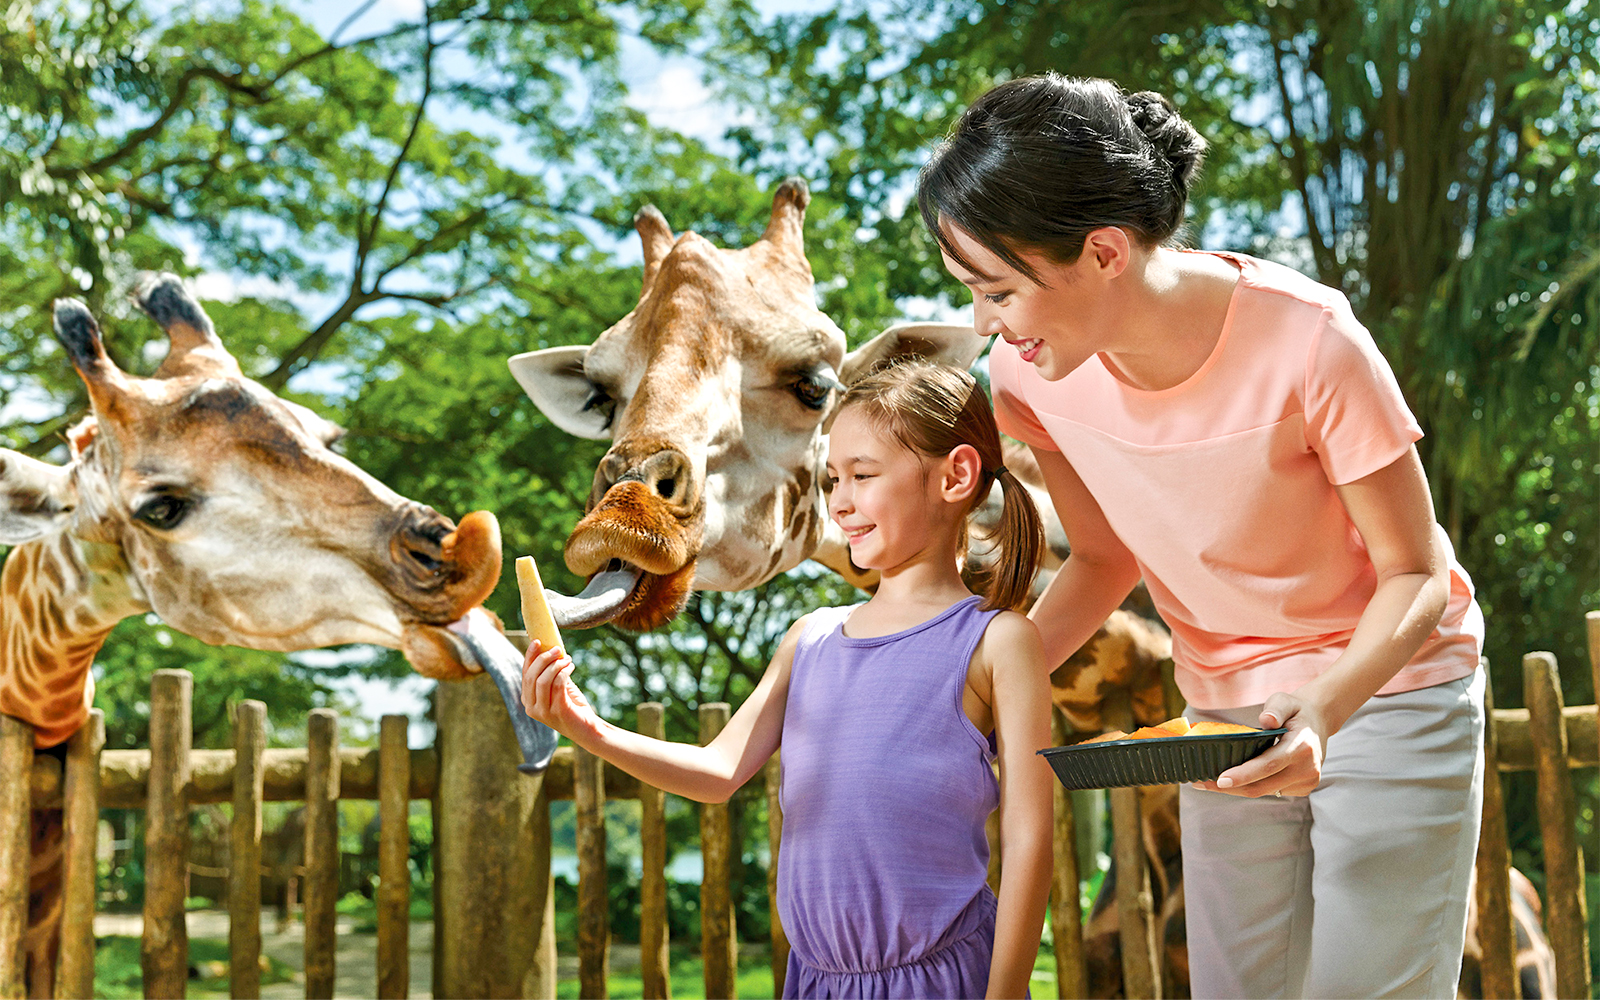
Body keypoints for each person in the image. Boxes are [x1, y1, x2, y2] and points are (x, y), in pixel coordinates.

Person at [916, 73, 1486, 999]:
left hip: (1390, 688)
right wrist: (973, 688)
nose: (984, 324)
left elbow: (1416, 574)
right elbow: (1105, 560)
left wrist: (1327, 709)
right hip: (1220, 710)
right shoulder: (1032, 379)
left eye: (1000, 292)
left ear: (1103, 251)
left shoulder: (1312, 343)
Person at [522, 360, 1056, 999]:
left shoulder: (998, 642)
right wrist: (586, 726)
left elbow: (1030, 840)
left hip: (945, 982)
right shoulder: (811, 638)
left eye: (864, 475)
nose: (842, 501)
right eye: (834, 478)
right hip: (815, 983)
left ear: (956, 475)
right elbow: (719, 773)